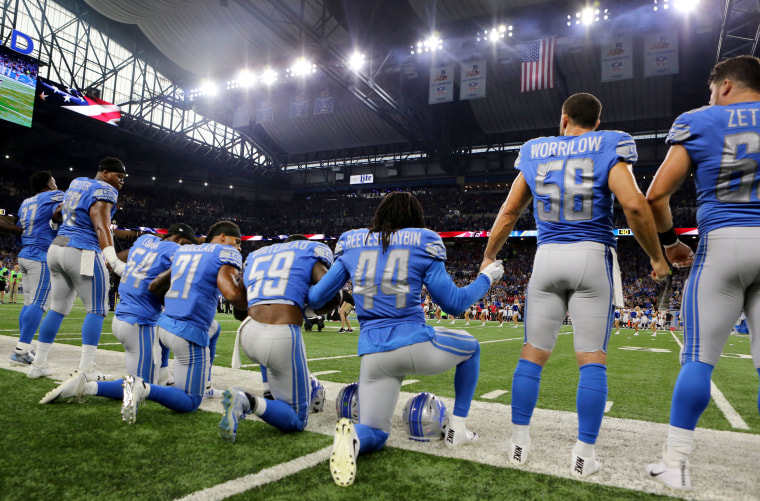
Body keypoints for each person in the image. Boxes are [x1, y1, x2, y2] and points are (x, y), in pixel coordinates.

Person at [480, 93, 669, 477]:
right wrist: (655, 256)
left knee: (531, 356)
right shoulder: (608, 142)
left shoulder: (535, 150)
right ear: (596, 123)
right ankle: (583, 456)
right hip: (591, 256)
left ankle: (518, 444)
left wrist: (489, 255)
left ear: (563, 119)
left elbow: (510, 210)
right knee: (591, 360)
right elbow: (634, 205)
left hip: (547, 258)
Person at [307, 192, 505, 487]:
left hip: (373, 355)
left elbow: (317, 298)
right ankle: (458, 429)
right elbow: (454, 303)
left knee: (375, 431)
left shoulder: (352, 243)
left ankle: (355, 439)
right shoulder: (423, 241)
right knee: (472, 348)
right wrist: (487, 278)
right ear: (415, 218)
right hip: (415, 343)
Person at [644, 55, 760, 490]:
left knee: (697, 358)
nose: (711, 97)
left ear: (726, 85)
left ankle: (675, 464)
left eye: (714, 90)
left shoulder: (701, 120)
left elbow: (656, 195)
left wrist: (672, 241)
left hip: (723, 246)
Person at [39, 224, 197, 404]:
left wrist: (113, 264)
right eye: (185, 244)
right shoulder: (176, 251)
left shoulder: (145, 239)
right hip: (139, 322)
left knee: (139, 378)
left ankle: (162, 374)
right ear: (177, 239)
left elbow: (125, 260)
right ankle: (85, 386)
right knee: (141, 385)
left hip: (121, 318)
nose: (186, 249)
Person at [116, 220, 246, 423]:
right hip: (189, 328)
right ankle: (145, 387)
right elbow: (232, 296)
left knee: (215, 328)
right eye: (236, 241)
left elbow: (155, 285)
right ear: (222, 238)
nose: (238, 247)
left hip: (166, 323)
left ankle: (201, 382)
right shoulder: (224, 254)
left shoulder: (187, 251)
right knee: (191, 401)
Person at [217, 234, 340, 441]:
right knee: (297, 419)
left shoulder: (257, 256)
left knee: (270, 355)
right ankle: (246, 400)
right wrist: (304, 308)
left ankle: (268, 392)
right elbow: (331, 297)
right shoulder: (309, 253)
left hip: (248, 332)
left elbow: (239, 310)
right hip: (280, 335)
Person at [28, 157, 127, 380]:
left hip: (57, 248)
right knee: (97, 309)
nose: (121, 181)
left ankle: (39, 363)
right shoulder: (104, 189)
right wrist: (112, 259)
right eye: (118, 176)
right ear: (104, 173)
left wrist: (55, 224)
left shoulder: (78, 182)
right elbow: (101, 224)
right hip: (82, 250)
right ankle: (86, 369)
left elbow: (58, 212)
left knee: (57, 307)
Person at [0, 171, 64, 366]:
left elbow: (19, 227)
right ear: (48, 184)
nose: (56, 183)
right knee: (38, 304)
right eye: (54, 181)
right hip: (41, 255)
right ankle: (21, 350)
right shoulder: (55, 195)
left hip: (25, 253)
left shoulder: (26, 202)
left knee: (29, 303)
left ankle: (24, 347)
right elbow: (67, 206)